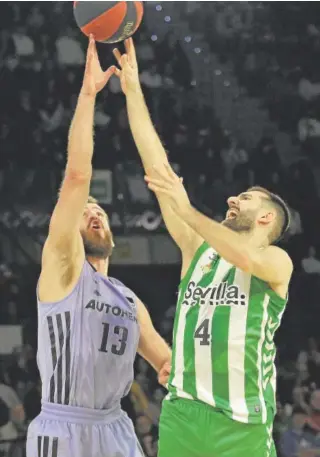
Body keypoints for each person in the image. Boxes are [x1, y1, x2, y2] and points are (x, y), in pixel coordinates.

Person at [113, 38, 293, 457]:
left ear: (266, 219)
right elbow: (157, 168)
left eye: (245, 198)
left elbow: (244, 256)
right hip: (183, 412)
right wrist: (134, 92)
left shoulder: (275, 262)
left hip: (241, 422)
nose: (233, 199)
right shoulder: (199, 251)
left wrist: (187, 210)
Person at [26, 35, 171, 457]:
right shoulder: (62, 270)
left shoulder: (128, 299)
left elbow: (166, 364)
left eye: (100, 211)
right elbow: (76, 178)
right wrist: (88, 95)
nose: (95, 213)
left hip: (116, 427)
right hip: (64, 428)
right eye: (86, 211)